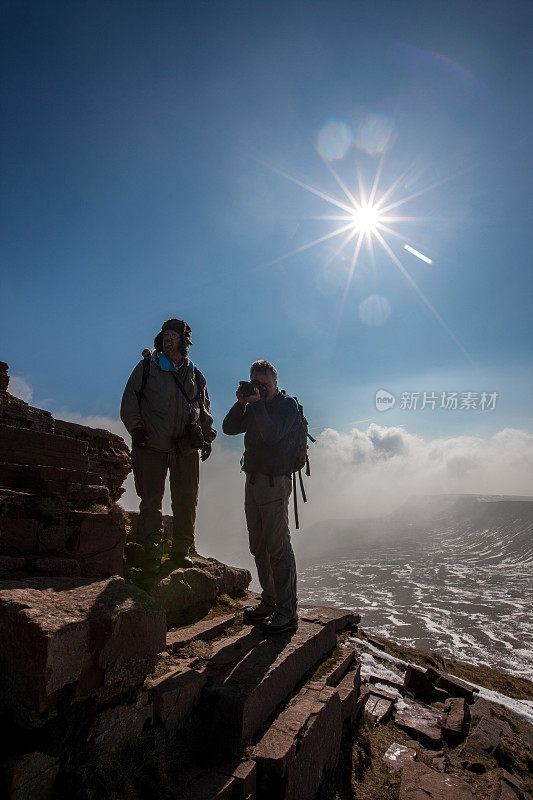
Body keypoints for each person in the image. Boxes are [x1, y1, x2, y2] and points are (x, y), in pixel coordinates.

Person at [121, 318, 216, 586]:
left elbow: (203, 408)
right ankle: (151, 552)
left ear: (185, 342)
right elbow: (130, 400)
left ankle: (181, 549)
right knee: (151, 500)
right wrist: (136, 428)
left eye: (174, 335)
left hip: (184, 448)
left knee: (186, 499)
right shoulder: (147, 367)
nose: (168, 339)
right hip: (151, 445)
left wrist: (207, 437)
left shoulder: (195, 374)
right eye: (166, 334)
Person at [223, 359, 299, 634]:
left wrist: (256, 404)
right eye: (255, 382)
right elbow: (229, 428)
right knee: (258, 544)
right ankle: (269, 600)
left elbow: (272, 435)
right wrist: (242, 402)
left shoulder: (286, 406)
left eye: (264, 384)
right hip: (253, 480)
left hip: (275, 482)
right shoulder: (255, 405)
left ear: (275, 383)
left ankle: (287, 610)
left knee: (278, 546)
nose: (260, 388)